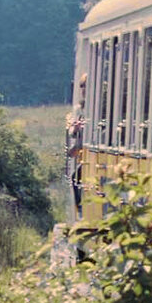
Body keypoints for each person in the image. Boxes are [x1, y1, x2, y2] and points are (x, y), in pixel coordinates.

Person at [65, 75, 86, 212]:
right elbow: (72, 132)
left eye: (86, 87)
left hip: (90, 152)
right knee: (75, 178)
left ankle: (82, 210)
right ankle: (80, 209)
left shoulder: (101, 107)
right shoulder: (79, 109)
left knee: (77, 178)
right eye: (82, 87)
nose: (84, 90)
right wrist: (76, 128)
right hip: (82, 151)